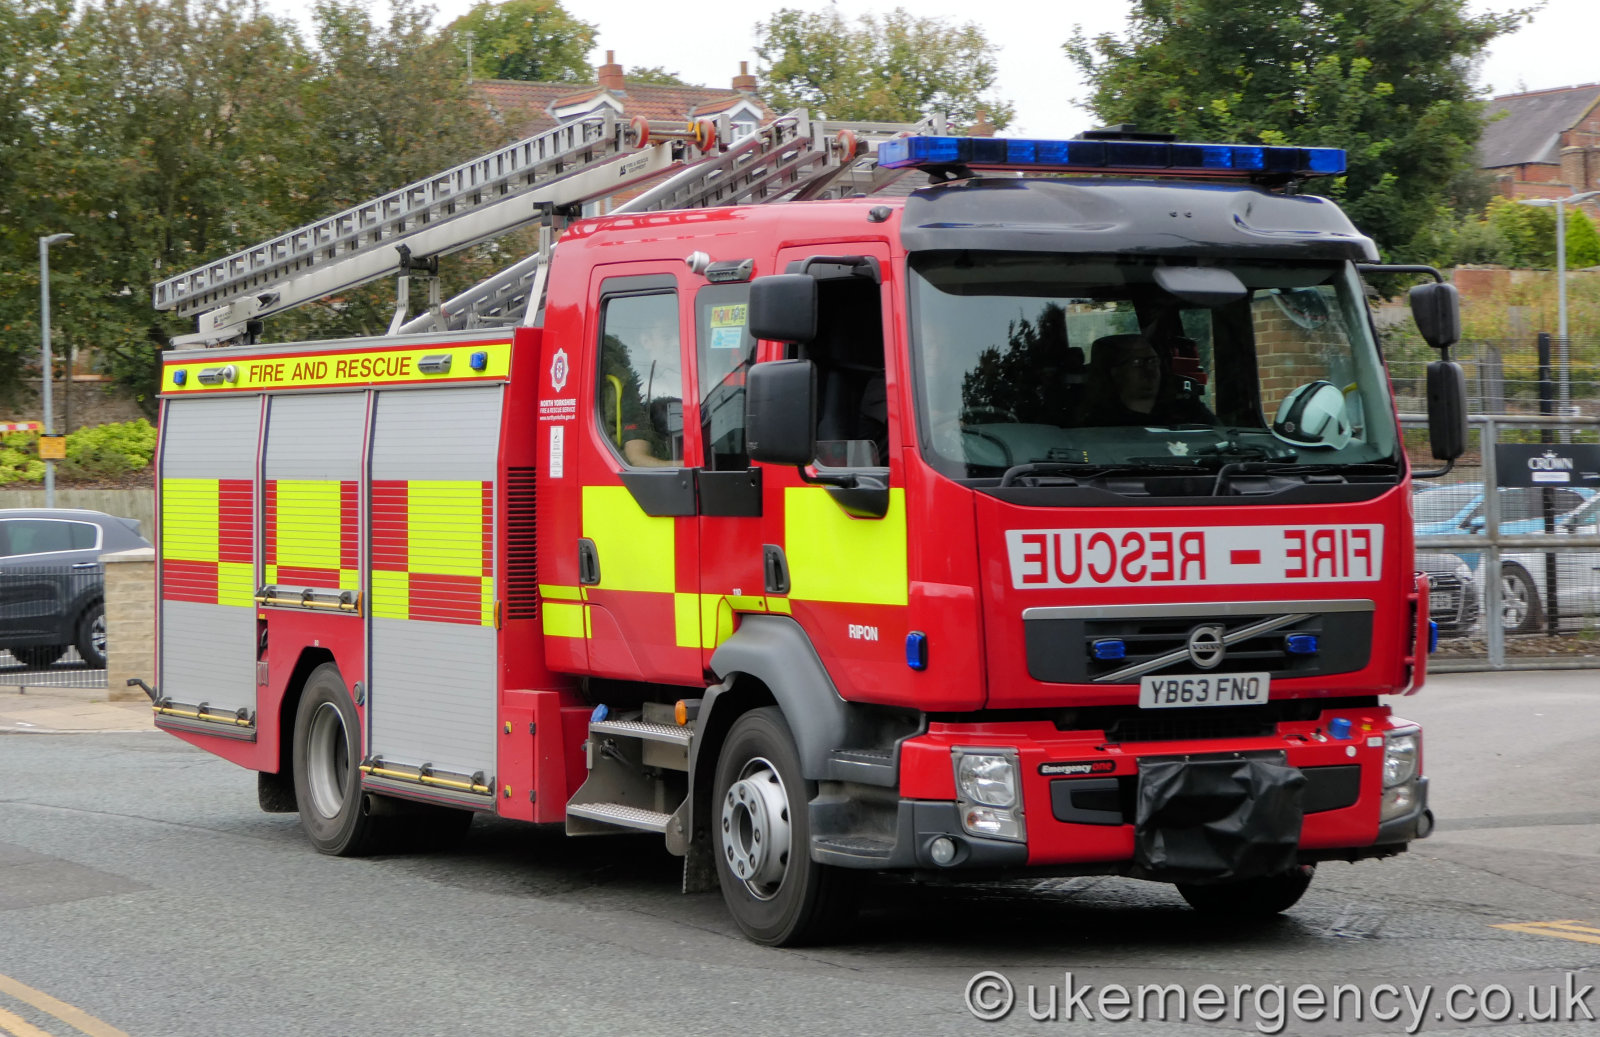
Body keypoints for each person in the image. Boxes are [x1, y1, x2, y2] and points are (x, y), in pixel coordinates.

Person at [1084, 333, 1214, 426]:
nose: (1149, 371)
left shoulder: (1186, 408)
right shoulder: (1098, 421)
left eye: (1153, 361)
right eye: (1137, 363)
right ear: (1115, 372)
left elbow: (1220, 436)